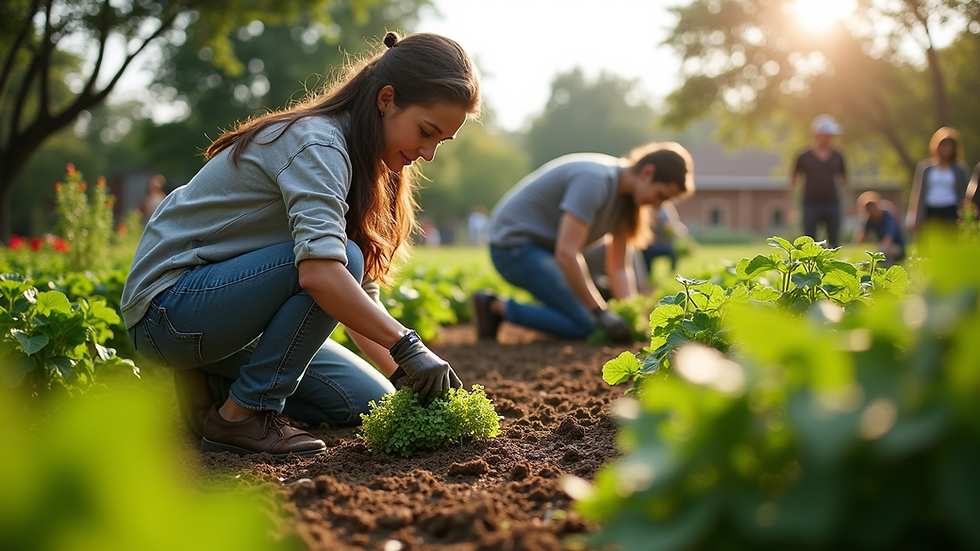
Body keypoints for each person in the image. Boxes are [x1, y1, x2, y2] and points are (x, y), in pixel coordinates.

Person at [120, 32, 479, 458]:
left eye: (441, 141)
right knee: (337, 262)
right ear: (386, 99)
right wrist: (410, 345)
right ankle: (243, 414)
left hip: (229, 314)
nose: (429, 153)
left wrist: (406, 374)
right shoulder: (319, 144)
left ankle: (211, 384)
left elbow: (356, 293)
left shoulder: (363, 158)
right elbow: (322, 274)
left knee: (366, 399)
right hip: (168, 311)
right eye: (426, 131)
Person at [471, 143, 694, 343]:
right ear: (647, 172)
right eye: (660, 195)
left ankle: (586, 298)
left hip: (548, 249)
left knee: (591, 302)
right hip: (513, 247)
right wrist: (600, 312)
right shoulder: (595, 181)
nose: (657, 205)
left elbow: (619, 266)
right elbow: (567, 253)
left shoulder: (627, 202)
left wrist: (629, 313)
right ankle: (495, 307)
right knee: (585, 325)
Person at [790, 114, 848, 248]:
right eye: (827, 134)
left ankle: (832, 267)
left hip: (832, 203)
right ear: (817, 134)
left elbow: (844, 179)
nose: (830, 138)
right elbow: (793, 180)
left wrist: (845, 202)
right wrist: (792, 205)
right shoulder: (803, 155)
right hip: (810, 204)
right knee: (809, 241)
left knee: (834, 241)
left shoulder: (838, 155)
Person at [906, 127, 971, 232]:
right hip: (930, 210)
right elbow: (918, 193)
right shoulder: (926, 168)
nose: (945, 149)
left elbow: (965, 194)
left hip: (951, 210)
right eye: (943, 145)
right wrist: (913, 216)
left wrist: (966, 215)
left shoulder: (960, 169)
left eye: (949, 146)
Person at [853, 191, 905, 267]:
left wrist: (877, 253)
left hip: (897, 247)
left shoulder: (888, 217)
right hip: (883, 246)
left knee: (887, 252)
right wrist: (855, 254)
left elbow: (888, 240)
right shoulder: (870, 218)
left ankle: (887, 269)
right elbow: (861, 236)